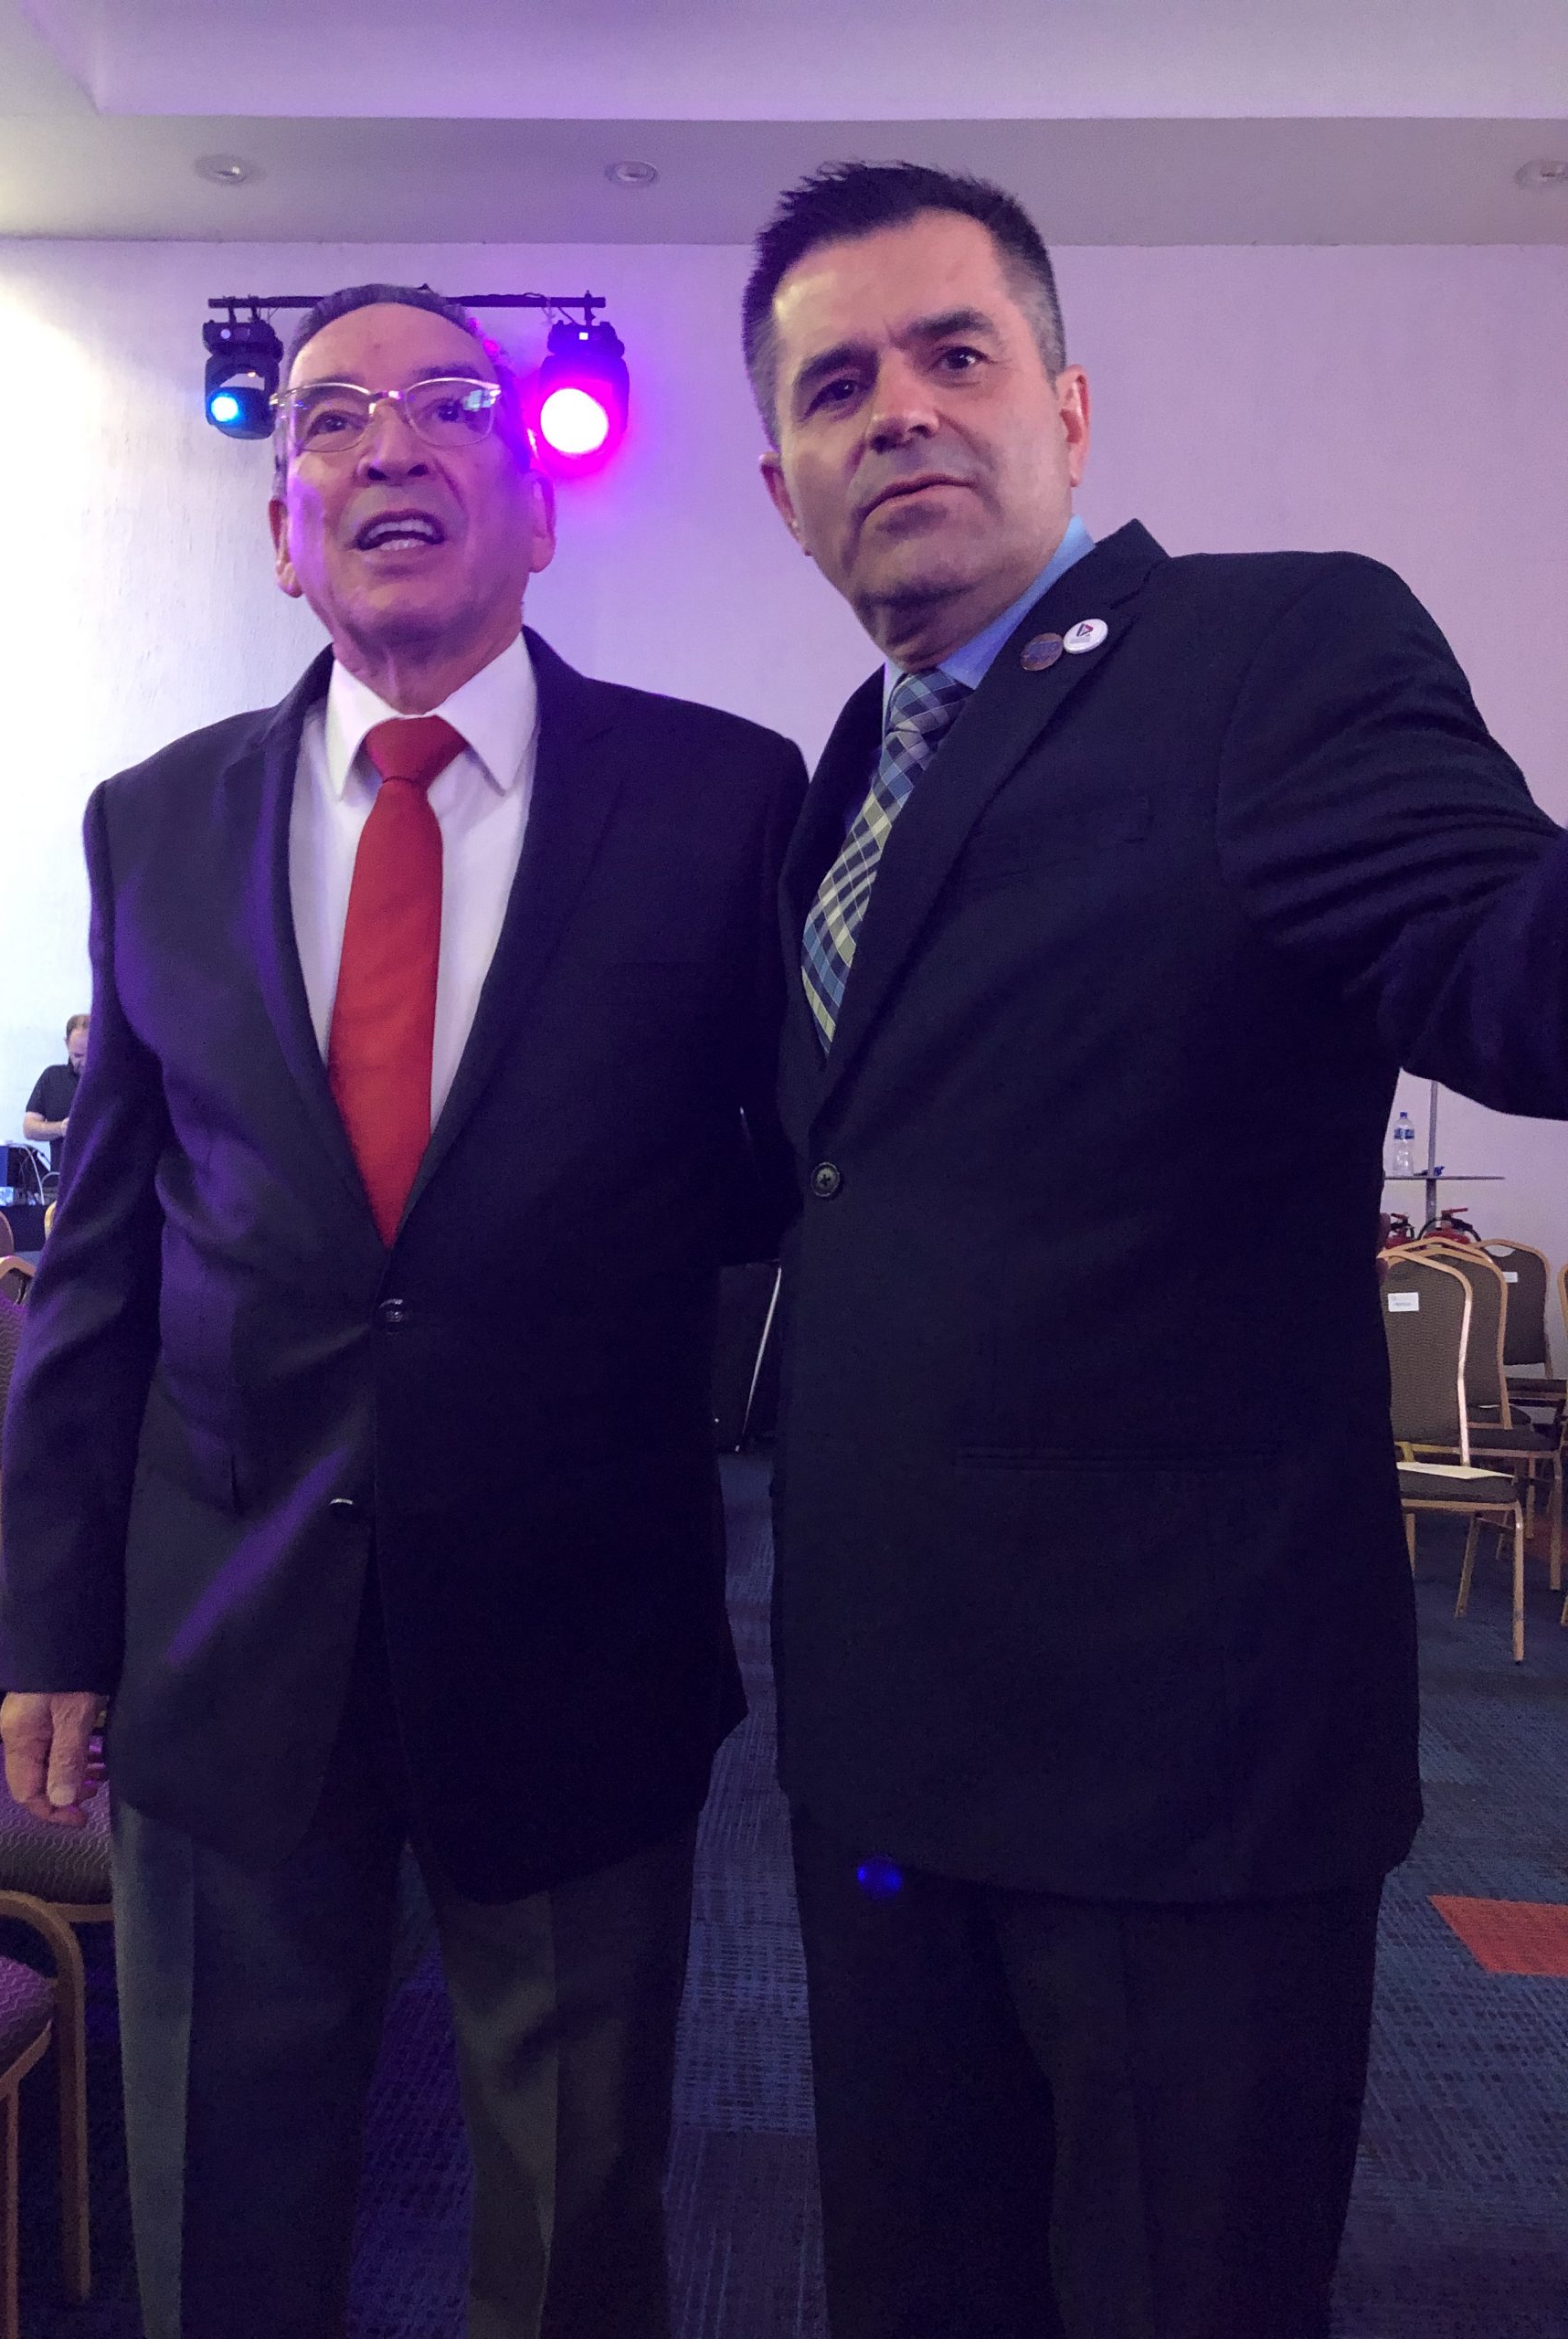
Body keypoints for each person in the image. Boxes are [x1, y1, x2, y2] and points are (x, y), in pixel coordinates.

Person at [744, 161, 1568, 2339]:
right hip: (886, 1754)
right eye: (838, 384)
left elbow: (1507, 962)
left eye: (956, 353)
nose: (900, 409)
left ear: (1069, 407)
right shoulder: (852, 769)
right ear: (782, 484)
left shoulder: (1271, 652)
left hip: (1179, 1784)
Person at [0, 281, 804, 2339]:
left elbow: (788, 1183)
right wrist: (55, 1625)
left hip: (579, 1628)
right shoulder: (153, 820)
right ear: (285, 529)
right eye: (333, 418)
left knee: (574, 2217)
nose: (392, 446)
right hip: (224, 1632)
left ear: (540, 508)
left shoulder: (723, 802)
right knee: (223, 2205)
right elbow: (102, 1251)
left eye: (452, 405)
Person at [23, 1011, 89, 1173]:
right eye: (78, 1055)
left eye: (91, 1053)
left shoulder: (114, 1080)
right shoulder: (52, 1077)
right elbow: (29, 1127)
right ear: (67, 1044)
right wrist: (61, 1128)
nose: (85, 1062)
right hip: (62, 1181)